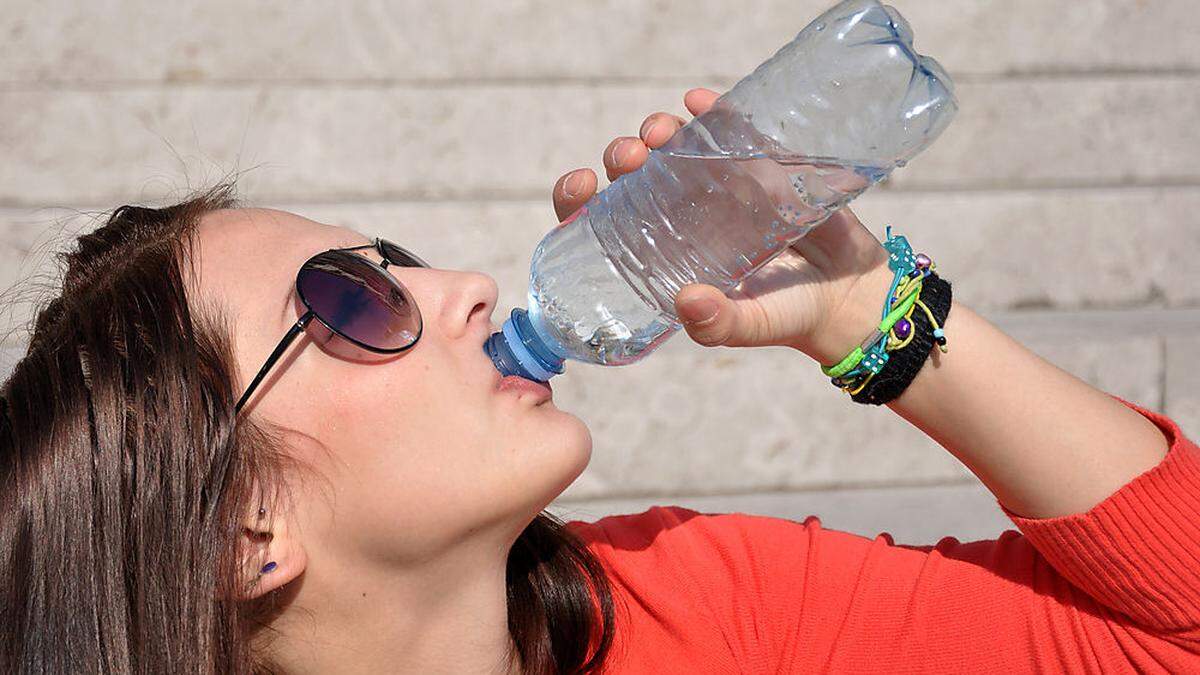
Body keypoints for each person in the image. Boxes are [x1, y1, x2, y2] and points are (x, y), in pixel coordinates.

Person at [0, 88, 1196, 674]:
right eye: (350, 300)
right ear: (235, 532)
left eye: (398, 266)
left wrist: (868, 312)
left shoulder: (699, 608)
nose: (465, 284)